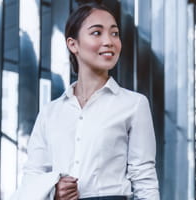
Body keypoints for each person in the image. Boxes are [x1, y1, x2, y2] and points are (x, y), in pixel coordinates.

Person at [13, 3, 159, 200]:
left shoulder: (134, 105)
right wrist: (53, 189)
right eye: (97, 33)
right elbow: (32, 175)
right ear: (73, 44)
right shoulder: (50, 113)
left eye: (114, 34)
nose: (109, 41)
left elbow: (144, 178)